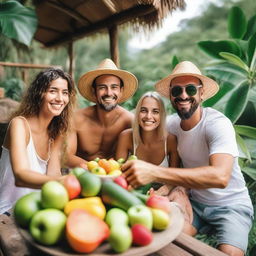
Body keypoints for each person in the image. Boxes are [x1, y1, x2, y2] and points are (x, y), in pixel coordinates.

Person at [122, 61, 253, 256]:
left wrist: (155, 173)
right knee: (165, 241)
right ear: (172, 97)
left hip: (231, 204)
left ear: (201, 94)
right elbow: (144, 126)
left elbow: (220, 177)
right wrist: (175, 189)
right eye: (176, 91)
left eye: (190, 89)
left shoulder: (217, 124)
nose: (183, 95)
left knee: (229, 253)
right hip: (196, 203)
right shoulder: (172, 125)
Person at [0, 68, 76, 214]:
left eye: (65, 93)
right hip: (6, 212)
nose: (60, 98)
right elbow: (21, 176)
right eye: (53, 91)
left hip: (38, 208)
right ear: (39, 93)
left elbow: (53, 175)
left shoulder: (56, 133)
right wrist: (65, 181)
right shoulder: (19, 125)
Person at [66, 58, 138, 168]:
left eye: (114, 87)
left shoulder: (130, 121)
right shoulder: (76, 118)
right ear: (94, 91)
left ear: (121, 90)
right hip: (84, 177)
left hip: (117, 177)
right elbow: (67, 156)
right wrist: (97, 169)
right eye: (102, 87)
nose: (109, 93)